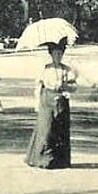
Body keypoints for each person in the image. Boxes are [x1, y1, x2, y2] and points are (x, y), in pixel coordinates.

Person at [25, 37, 76, 169]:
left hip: (61, 102)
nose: (58, 56)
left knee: (60, 130)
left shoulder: (66, 70)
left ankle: (59, 161)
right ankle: (42, 160)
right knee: (46, 129)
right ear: (51, 55)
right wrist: (36, 103)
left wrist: (65, 86)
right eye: (55, 54)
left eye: (60, 54)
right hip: (46, 100)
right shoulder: (45, 69)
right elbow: (39, 87)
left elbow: (74, 87)